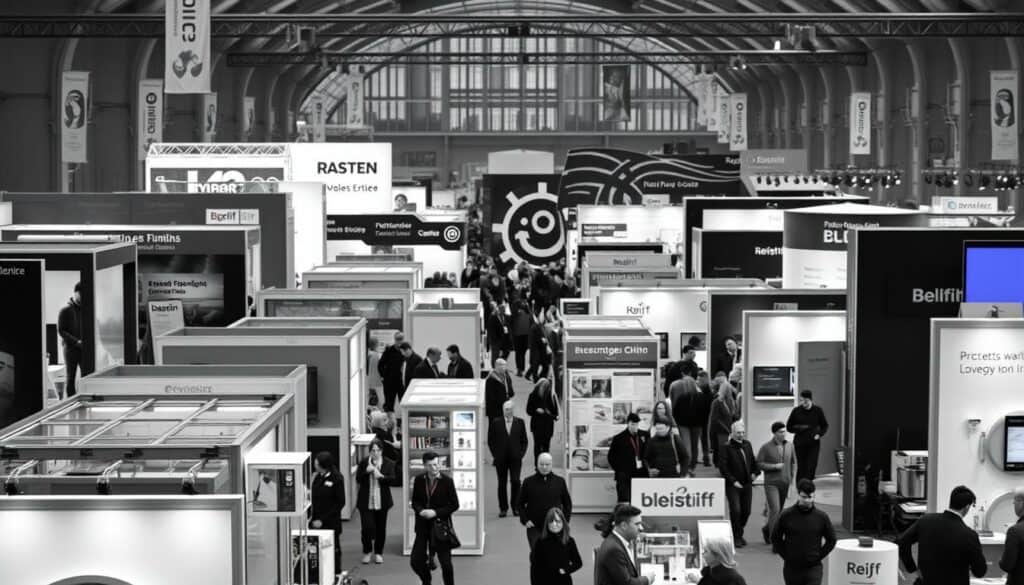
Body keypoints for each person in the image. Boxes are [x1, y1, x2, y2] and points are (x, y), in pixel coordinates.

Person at [897, 485, 987, 585]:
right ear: (967, 507)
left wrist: (912, 569)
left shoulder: (925, 521)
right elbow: (980, 572)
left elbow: (902, 542)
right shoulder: (969, 535)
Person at [772, 479, 837, 585]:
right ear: (798, 495)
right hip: (792, 568)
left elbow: (832, 539)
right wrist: (787, 556)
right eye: (804, 497)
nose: (807, 500)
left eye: (810, 497)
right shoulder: (786, 515)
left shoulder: (821, 517)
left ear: (814, 496)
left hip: (813, 568)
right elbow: (775, 537)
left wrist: (818, 556)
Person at [410, 451, 460, 585]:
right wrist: (420, 511)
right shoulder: (419, 480)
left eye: (436, 464)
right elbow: (415, 501)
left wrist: (435, 513)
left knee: (446, 565)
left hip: (440, 526)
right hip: (422, 526)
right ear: (425, 466)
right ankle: (426, 580)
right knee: (415, 561)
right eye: (431, 465)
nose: (435, 468)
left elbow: (455, 505)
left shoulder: (447, 481)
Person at [518, 453, 573, 551]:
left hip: (555, 526)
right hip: (534, 527)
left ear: (551, 465)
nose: (544, 467)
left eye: (547, 464)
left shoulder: (560, 482)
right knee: (537, 554)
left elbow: (567, 504)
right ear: (537, 464)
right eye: (541, 464)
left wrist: (565, 521)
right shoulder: (528, 482)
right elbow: (520, 504)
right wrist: (525, 520)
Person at [594, 503, 658, 585]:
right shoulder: (614, 549)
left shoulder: (617, 543)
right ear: (624, 525)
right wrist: (647, 579)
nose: (641, 528)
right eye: (637, 524)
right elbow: (627, 583)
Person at [356, 439, 395, 564]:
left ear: (382, 451)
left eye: (378, 450)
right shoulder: (363, 462)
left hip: (382, 500)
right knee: (367, 527)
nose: (375, 453)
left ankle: (378, 552)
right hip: (365, 500)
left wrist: (382, 477)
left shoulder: (388, 463)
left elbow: (393, 480)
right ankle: (367, 551)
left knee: (380, 527)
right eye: (373, 450)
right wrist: (366, 473)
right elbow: (358, 479)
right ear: (370, 451)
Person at [719, 421, 758, 547]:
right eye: (738, 433)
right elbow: (723, 467)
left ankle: (738, 531)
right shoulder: (726, 447)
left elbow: (752, 460)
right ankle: (736, 537)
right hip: (733, 485)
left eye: (742, 433)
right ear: (732, 433)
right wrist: (733, 481)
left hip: (747, 484)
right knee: (736, 510)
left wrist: (755, 473)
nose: (741, 435)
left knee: (746, 512)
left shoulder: (747, 445)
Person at [756, 421, 796, 545]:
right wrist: (774, 466)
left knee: (779, 512)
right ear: (774, 433)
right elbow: (759, 464)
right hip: (771, 483)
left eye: (785, 431)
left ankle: (767, 529)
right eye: (781, 432)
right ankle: (775, 540)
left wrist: (793, 480)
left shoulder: (790, 446)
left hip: (785, 482)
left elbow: (794, 462)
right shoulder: (766, 447)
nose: (784, 434)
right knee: (775, 509)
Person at [488, 400, 528, 518]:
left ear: (513, 410)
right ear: (503, 410)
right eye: (506, 409)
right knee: (502, 483)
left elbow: (524, 440)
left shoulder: (520, 422)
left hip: (516, 459)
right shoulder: (496, 423)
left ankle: (515, 507)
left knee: (516, 481)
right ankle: (503, 508)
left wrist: (521, 454)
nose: (508, 412)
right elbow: (491, 440)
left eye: (510, 409)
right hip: (501, 459)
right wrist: (495, 455)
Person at [310, 451, 346, 575]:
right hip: (315, 520)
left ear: (323, 465)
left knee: (333, 548)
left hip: (330, 521)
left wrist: (322, 520)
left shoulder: (337, 479)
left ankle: (336, 572)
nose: (314, 464)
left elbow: (340, 502)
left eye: (316, 463)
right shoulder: (317, 476)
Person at [531, 507, 583, 585]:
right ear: (547, 524)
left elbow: (578, 562)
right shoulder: (541, 542)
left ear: (563, 523)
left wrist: (566, 570)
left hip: (564, 581)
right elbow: (535, 567)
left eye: (558, 521)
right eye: (551, 521)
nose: (554, 524)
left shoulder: (569, 541)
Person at [786, 390, 829, 481]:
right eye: (801, 400)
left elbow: (825, 426)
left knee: (811, 465)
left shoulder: (818, 410)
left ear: (810, 400)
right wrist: (799, 428)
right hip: (800, 443)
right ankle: (800, 488)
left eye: (805, 401)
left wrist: (819, 434)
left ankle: (808, 487)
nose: (803, 403)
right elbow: (789, 427)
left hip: (813, 443)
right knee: (801, 467)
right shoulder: (796, 411)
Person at [608, 413, 650, 503]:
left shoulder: (645, 435)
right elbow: (611, 457)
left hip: (641, 473)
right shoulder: (619, 438)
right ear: (628, 424)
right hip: (624, 474)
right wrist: (619, 470)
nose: (635, 427)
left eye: (637, 424)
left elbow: (649, 453)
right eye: (632, 424)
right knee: (624, 498)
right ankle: (624, 516)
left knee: (640, 498)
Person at [671, 376, 704, 474]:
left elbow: (675, 412)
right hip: (696, 425)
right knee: (694, 446)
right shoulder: (701, 396)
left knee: (687, 446)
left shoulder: (682, 397)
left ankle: (688, 467)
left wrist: (677, 422)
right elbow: (704, 412)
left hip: (684, 425)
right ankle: (690, 467)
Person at [57, 282, 85, 397]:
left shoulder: (86, 310)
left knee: (86, 377)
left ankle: (84, 399)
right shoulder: (65, 310)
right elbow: (61, 331)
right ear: (76, 293)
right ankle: (70, 403)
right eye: (82, 294)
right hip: (70, 349)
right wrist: (76, 342)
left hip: (84, 348)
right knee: (70, 377)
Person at [527, 378, 559, 464]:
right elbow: (528, 410)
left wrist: (549, 414)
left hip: (547, 425)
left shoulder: (551, 396)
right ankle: (537, 465)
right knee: (537, 446)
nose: (545, 389)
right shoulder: (533, 395)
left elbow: (556, 414)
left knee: (546, 446)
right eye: (544, 387)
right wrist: (536, 410)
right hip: (537, 425)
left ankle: (545, 464)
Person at [709, 382, 740, 466]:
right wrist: (726, 428)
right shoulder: (717, 402)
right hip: (720, 429)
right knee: (722, 448)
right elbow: (714, 418)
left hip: (729, 428)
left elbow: (734, 415)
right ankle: (721, 464)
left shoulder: (731, 401)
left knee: (727, 448)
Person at [1000, 487, 1024, 585]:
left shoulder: (1015, 531)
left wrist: (1000, 560)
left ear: (1021, 502)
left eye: (1014, 503)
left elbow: (1007, 565)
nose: (1014, 505)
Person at [378, 332, 407, 412]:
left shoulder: (405, 351)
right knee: (389, 403)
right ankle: (390, 422)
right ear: (395, 340)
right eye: (398, 339)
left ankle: (403, 420)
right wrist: (384, 376)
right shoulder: (389, 350)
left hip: (401, 382)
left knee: (404, 402)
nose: (399, 341)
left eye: (401, 339)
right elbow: (380, 364)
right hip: (389, 382)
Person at [526, 310, 551, 382]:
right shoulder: (535, 327)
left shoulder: (537, 326)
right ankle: (535, 378)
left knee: (536, 364)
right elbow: (536, 339)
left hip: (538, 349)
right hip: (536, 349)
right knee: (536, 364)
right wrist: (543, 341)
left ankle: (532, 375)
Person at [511, 299, 533, 377]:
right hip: (525, 335)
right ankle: (521, 369)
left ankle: (520, 369)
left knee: (519, 353)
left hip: (518, 335)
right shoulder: (528, 314)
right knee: (522, 353)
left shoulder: (516, 313)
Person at [367, 338, 382, 407]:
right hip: (378, 382)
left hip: (368, 381)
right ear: (376, 345)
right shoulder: (378, 356)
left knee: (370, 401)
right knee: (379, 402)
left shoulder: (366, 355)